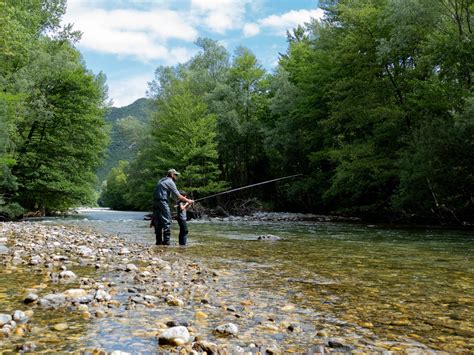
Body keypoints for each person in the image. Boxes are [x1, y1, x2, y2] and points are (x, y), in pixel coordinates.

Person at [153, 169, 193, 245]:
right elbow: (178, 195)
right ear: (172, 175)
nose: (176, 177)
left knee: (158, 222)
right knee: (167, 221)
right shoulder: (170, 182)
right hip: (162, 202)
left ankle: (158, 242)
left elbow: (172, 196)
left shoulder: (161, 181)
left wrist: (178, 202)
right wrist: (188, 201)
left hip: (155, 202)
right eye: (176, 175)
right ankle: (166, 242)